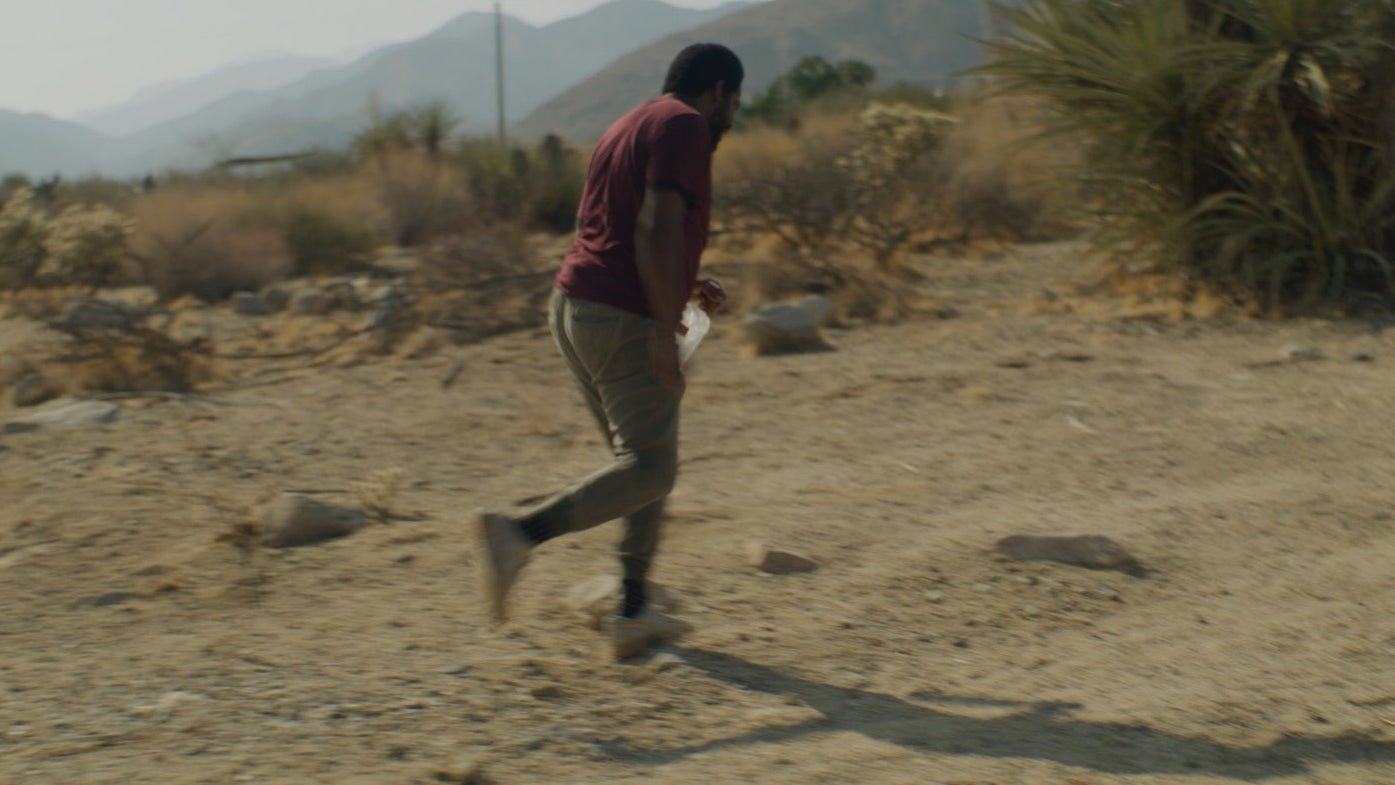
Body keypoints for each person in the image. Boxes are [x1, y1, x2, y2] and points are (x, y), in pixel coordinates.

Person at [477, 43, 743, 658]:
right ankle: (518, 535)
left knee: (641, 467)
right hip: (623, 317)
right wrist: (659, 332)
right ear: (718, 91)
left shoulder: (631, 121)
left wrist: (683, 288)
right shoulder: (685, 126)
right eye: (735, 100)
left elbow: (616, 226)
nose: (735, 114)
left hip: (575, 308)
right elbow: (655, 227)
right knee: (651, 469)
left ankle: (632, 608)